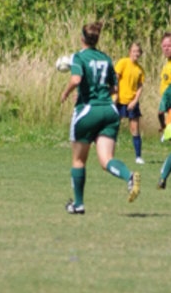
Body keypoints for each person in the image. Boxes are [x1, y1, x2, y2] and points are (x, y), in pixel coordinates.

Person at [60, 22, 141, 214]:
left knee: (79, 161)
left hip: (88, 111)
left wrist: (66, 93)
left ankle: (78, 204)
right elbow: (114, 88)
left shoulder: (79, 57)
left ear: (82, 38)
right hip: (110, 111)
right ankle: (129, 176)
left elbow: (76, 79)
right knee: (106, 160)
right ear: (97, 39)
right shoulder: (105, 58)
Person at [114, 42, 145, 164]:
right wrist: (116, 95)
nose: (136, 53)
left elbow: (140, 86)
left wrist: (135, 100)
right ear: (129, 52)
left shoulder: (140, 69)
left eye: (138, 51)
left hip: (132, 102)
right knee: (114, 127)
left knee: (135, 129)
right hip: (119, 101)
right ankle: (108, 154)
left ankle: (138, 157)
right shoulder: (123, 62)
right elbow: (115, 79)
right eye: (134, 51)